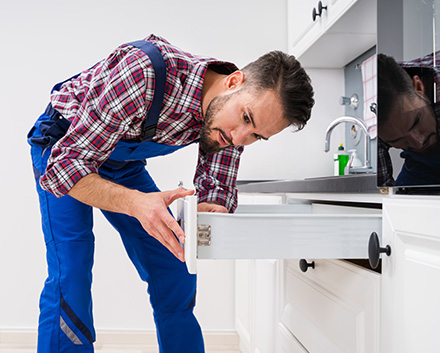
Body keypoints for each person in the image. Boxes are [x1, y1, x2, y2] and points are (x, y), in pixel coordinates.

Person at [27, 34, 314, 353]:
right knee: (72, 269)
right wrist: (136, 203)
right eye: (246, 118)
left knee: (174, 267)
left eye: (257, 135)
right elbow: (62, 171)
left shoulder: (230, 128)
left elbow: (215, 191)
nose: (239, 138)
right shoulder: (144, 73)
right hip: (65, 148)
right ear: (233, 81)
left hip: (122, 161)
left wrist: (209, 213)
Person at [377, 52, 440, 186]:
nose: (419, 143)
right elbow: (382, 190)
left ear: (418, 87)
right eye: (399, 140)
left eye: (416, 121)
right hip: (422, 168)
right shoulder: (371, 122)